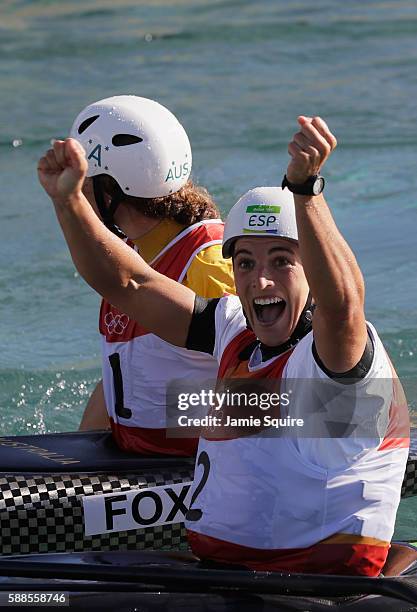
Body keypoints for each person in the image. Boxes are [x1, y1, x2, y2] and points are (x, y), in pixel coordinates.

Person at [38, 115, 409, 577]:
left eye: (282, 261)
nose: (261, 280)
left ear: (312, 271)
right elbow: (129, 283)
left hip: (307, 588)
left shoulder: (336, 356)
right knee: (37, 579)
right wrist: (69, 201)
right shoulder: (234, 329)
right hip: (220, 571)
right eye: (247, 263)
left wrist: (306, 189)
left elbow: (343, 305)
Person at [68, 95, 234, 455]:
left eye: (82, 182)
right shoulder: (132, 252)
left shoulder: (211, 265)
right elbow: (125, 371)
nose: (77, 193)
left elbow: (275, 386)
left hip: (190, 472)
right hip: (135, 458)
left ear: (109, 189)